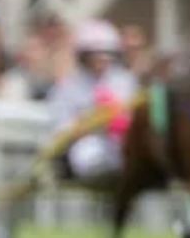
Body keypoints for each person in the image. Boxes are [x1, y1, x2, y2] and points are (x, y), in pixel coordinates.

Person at [48, 19, 139, 181]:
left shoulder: (126, 82)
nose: (102, 58)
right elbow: (61, 126)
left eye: (107, 53)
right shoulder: (68, 87)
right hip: (85, 147)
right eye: (95, 54)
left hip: (120, 146)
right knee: (89, 158)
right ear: (83, 55)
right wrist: (86, 125)